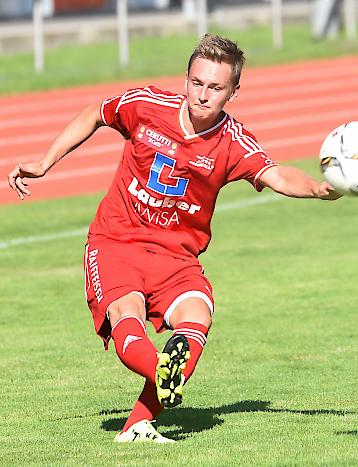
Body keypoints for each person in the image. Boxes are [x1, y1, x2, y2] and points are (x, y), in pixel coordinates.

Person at [7, 34, 340, 443]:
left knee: (198, 314)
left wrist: (321, 189)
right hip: (116, 242)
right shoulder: (147, 106)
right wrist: (44, 162)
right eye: (197, 83)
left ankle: (137, 424)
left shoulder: (232, 141)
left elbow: (277, 175)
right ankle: (162, 373)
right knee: (126, 312)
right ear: (185, 79)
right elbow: (95, 113)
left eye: (216, 88)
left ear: (234, 92)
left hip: (176, 258)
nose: (203, 95)